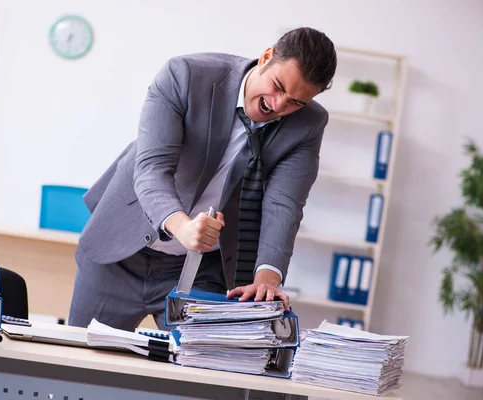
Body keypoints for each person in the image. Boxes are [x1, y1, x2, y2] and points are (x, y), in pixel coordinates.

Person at [68, 27, 337, 331]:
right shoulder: (186, 75)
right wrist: (182, 226)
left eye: (295, 103)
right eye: (277, 86)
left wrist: (267, 278)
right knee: (80, 363)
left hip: (201, 268)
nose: (278, 105)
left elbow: (284, 203)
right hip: (120, 248)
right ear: (266, 57)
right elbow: (152, 167)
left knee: (199, 370)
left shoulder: (309, 124)